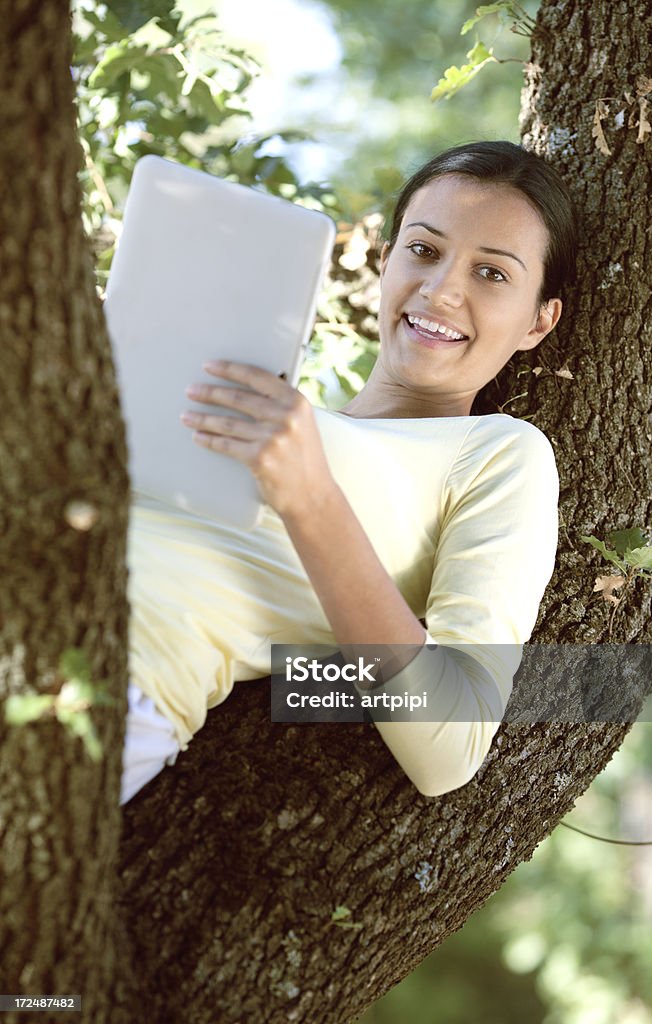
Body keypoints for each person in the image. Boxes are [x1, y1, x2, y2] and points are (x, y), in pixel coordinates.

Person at [121, 140, 577, 804]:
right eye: (423, 250)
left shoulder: (499, 454)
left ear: (540, 320)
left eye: (492, 274)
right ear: (385, 262)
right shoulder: (268, 401)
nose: (442, 288)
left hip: (97, 678)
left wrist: (309, 498)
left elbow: (449, 747)